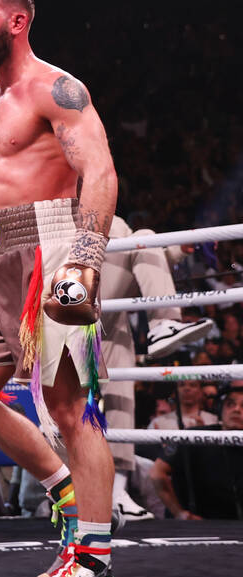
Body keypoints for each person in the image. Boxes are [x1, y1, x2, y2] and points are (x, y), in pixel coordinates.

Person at [0, 0, 119, 577]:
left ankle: (96, 568)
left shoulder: (57, 87)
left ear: (17, 22)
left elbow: (98, 172)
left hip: (54, 247)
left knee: (71, 408)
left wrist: (84, 258)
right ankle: (67, 493)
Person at [100, 215, 214, 519]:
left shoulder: (114, 220)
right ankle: (163, 321)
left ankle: (117, 492)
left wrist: (179, 249)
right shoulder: (66, 208)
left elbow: (138, 256)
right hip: (75, 298)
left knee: (121, 398)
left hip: (110, 320)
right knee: (146, 234)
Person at [149, 384, 243, 520]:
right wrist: (179, 513)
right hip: (197, 525)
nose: (236, 410)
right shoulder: (194, 437)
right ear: (221, 408)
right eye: (230, 404)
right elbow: (157, 473)